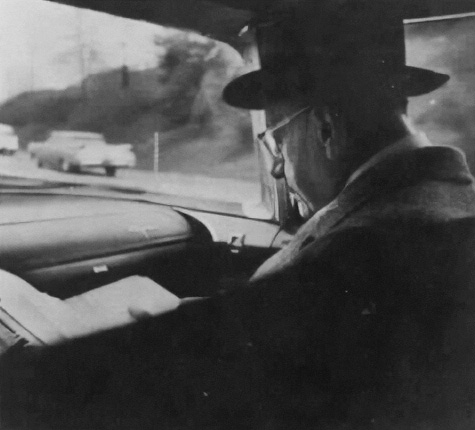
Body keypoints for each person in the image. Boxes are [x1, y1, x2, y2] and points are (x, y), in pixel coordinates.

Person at [2, 1, 475, 429]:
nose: (275, 165)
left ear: (327, 128)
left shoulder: (361, 252)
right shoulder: (441, 209)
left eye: (275, 140)